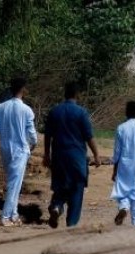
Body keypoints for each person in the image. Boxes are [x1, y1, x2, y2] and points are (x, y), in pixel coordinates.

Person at [43, 82, 101, 229]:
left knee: (60, 186)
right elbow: (89, 137)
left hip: (59, 156)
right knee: (76, 189)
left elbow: (47, 136)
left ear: (65, 94)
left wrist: (46, 154)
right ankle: (71, 224)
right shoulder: (81, 113)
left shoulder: (54, 111)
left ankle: (56, 206)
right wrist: (96, 155)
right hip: (77, 158)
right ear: (77, 95)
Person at [0, 78, 37, 227]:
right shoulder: (27, 110)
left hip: (4, 147)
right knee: (14, 183)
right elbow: (32, 134)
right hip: (20, 148)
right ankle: (5, 216)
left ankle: (14, 214)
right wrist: (34, 144)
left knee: (13, 182)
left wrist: (1, 133)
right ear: (23, 89)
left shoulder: (1, 107)